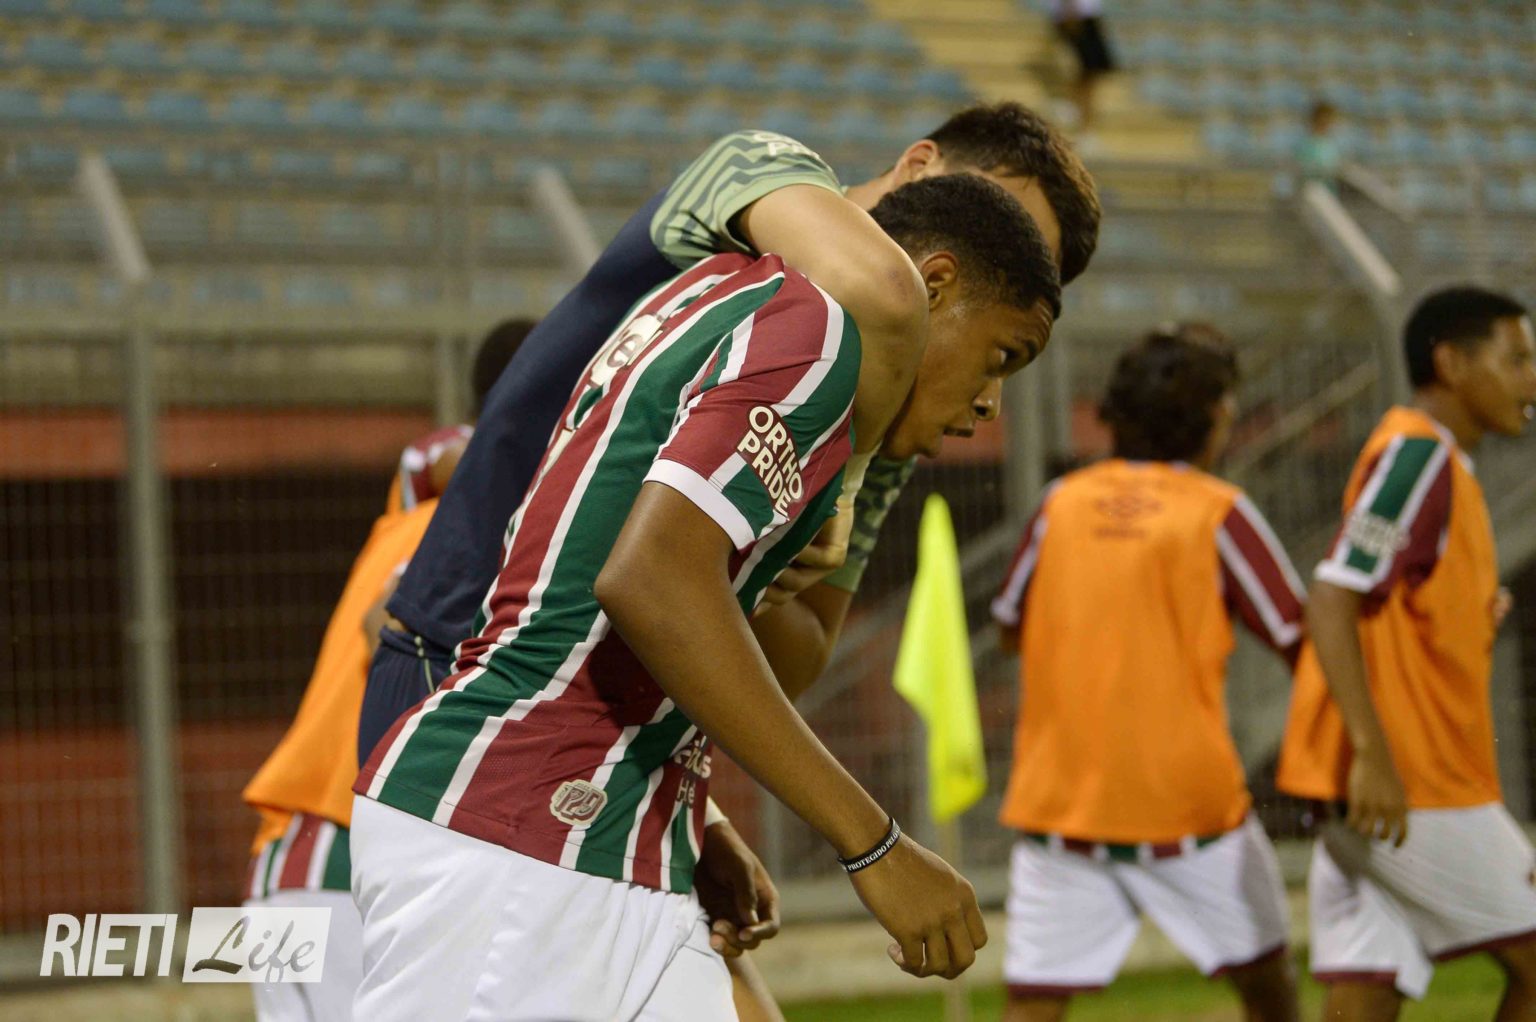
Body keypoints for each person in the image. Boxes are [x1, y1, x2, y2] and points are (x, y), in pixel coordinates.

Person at [349, 174, 1062, 1021]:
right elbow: (651, 580)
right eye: (1000, 357)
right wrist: (872, 843)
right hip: (519, 832)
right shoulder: (818, 332)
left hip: (613, 827)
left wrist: (696, 813)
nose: (990, 404)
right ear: (932, 283)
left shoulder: (741, 296)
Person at [358, 102, 1101, 765]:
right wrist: (839, 484)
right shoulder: (761, 170)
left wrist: (757, 569)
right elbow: (879, 289)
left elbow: (798, 657)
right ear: (918, 166)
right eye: (991, 217)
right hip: (464, 657)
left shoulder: (889, 414)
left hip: (615, 740)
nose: (994, 250)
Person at [990, 324, 1306, 1021]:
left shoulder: (1060, 502)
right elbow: (1301, 639)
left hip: (1063, 812)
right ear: (1212, 415)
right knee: (1269, 989)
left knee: (1033, 1005)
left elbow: (1010, 627)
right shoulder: (1219, 511)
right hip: (1191, 813)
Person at [238, 320, 531, 1021]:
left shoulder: (459, 516)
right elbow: (389, 624)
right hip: (328, 853)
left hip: (374, 858)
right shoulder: (456, 521)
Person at [1277, 286, 1536, 1020]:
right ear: (1452, 363)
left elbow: (1392, 599)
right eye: (1517, 360)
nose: (1532, 380)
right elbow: (1333, 594)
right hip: (1408, 783)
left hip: (1385, 783)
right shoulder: (1420, 454)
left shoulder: (1439, 464)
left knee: (1367, 987)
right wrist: (1372, 755)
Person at [1048, 0, 1117, 135]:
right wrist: (1070, 13)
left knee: (1090, 73)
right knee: (1082, 69)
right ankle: (1071, 105)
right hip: (1077, 18)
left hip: (1083, 17)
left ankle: (1083, 122)